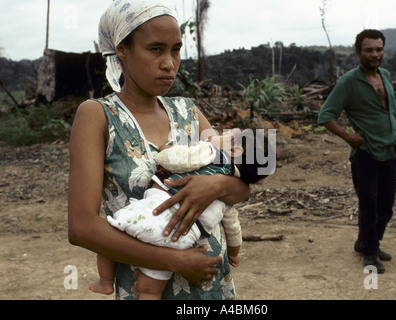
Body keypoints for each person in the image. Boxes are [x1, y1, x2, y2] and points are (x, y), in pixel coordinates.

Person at [68, 0, 252, 300]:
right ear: (121, 50)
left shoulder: (188, 111)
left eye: (175, 49)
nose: (169, 63)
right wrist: (177, 261)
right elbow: (81, 227)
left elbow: (242, 189)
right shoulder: (98, 116)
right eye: (156, 49)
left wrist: (215, 185)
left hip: (210, 285)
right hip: (148, 287)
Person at [89, 128, 271, 299]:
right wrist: (234, 252)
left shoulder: (209, 152)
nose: (213, 133)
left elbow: (175, 159)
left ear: (234, 149)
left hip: (153, 216)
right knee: (150, 289)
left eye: (224, 133)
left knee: (111, 233)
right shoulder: (230, 190)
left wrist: (165, 150)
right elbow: (233, 228)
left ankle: (105, 281)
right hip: (181, 240)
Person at [318, 29, 396, 273]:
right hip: (365, 153)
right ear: (358, 52)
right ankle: (369, 252)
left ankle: (367, 242)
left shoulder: (385, 75)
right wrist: (349, 137)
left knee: (386, 207)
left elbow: (394, 111)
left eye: (378, 49)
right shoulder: (348, 82)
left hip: (389, 151)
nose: (374, 54)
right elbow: (326, 115)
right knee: (369, 204)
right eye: (369, 50)